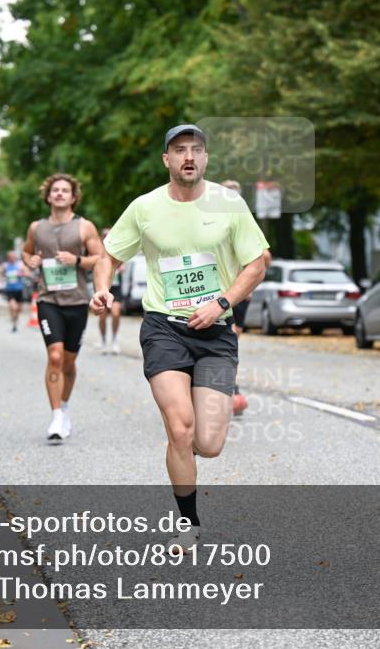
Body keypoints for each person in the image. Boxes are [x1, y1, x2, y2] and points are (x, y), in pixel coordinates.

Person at [92, 124, 269, 553]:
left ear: (205, 158)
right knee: (180, 428)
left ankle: (190, 454)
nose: (188, 156)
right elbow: (108, 255)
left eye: (196, 149)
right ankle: (188, 524)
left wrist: (221, 304)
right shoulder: (145, 207)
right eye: (179, 150)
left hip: (216, 332)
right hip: (164, 328)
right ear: (166, 159)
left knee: (209, 443)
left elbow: (256, 264)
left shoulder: (229, 205)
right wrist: (102, 288)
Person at [22, 173, 106, 441]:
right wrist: (30, 261)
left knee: (69, 362)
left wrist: (77, 260)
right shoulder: (36, 227)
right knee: (55, 356)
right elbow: (26, 252)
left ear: (73, 197)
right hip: (48, 300)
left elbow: (100, 258)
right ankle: (56, 415)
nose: (59, 193)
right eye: (55, 190)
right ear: (48, 197)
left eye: (64, 190)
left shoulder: (84, 227)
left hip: (77, 301)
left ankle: (65, 407)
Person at [219, 181, 272, 415]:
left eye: (236, 195)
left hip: (238, 295)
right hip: (214, 293)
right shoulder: (212, 219)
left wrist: (246, 270)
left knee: (230, 339)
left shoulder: (243, 219)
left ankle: (230, 386)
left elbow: (265, 256)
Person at [97, 228, 124, 355]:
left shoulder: (117, 251)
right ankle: (103, 341)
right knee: (102, 316)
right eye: (105, 235)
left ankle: (114, 339)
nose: (107, 237)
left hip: (115, 287)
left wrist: (121, 267)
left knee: (115, 313)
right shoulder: (98, 252)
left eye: (109, 235)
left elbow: (124, 264)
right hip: (102, 288)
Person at [1, 251, 28, 332]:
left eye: (13, 256)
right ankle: (13, 322)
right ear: (8, 257)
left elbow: (27, 273)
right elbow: (2, 274)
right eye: (10, 257)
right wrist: (3, 279)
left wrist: (21, 274)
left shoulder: (20, 265)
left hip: (19, 289)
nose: (12, 258)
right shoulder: (5, 265)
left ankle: (15, 320)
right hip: (10, 290)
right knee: (13, 307)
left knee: (19, 309)